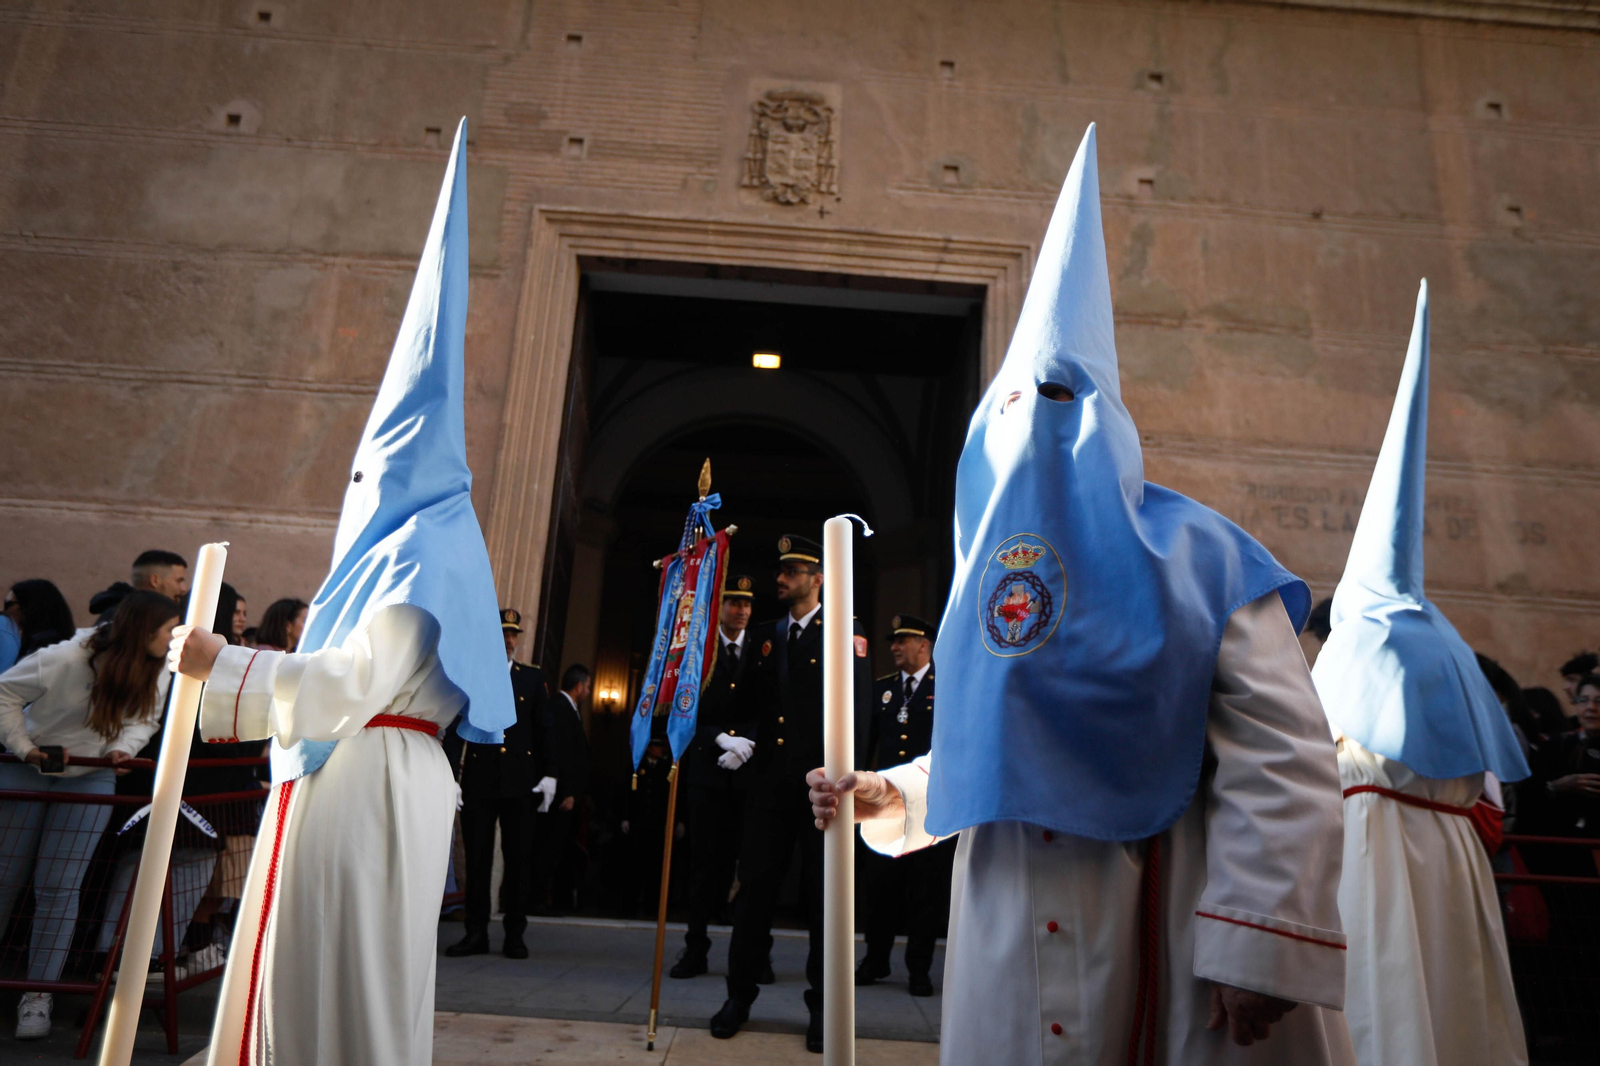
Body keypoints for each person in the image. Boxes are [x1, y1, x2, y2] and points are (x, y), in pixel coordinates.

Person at [810, 125, 1354, 1066]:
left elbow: (1283, 763)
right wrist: (887, 794)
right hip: (1010, 925)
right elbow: (999, 743)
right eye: (1018, 404)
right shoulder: (985, 586)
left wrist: (1256, 942)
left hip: (1167, 915)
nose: (1038, 427)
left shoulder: (1208, 563)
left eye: (1062, 402)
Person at [167, 120, 517, 1066]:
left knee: (342, 977)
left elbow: (354, 680)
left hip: (368, 778)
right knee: (330, 970)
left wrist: (224, 662)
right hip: (370, 776)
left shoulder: (420, 556)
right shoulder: (423, 547)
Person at [1311, 281, 1529, 1066]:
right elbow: (1487, 786)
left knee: (1382, 1009)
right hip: (1454, 864)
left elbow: (1311, 760)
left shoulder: (1356, 643)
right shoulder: (1449, 644)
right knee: (1454, 1007)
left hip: (1370, 854)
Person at [710, 535, 872, 1054]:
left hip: (822, 790)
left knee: (824, 902)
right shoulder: (766, 635)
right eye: (782, 570)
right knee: (754, 893)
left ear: (818, 578)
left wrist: (852, 781)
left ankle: (823, 1009)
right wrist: (733, 736)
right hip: (769, 788)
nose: (782, 579)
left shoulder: (845, 630)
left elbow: (861, 711)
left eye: (794, 571)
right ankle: (739, 996)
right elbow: (748, 707)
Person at [0, 591, 177, 1039]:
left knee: (60, 888)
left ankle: (38, 995)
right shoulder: (65, 658)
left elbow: (146, 720)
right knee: (4, 878)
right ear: (144, 630)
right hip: (31, 769)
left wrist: (124, 748)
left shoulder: (159, 670)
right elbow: (4, 691)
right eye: (170, 628)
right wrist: (25, 749)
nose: (176, 636)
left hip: (92, 775)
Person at [856, 613, 951, 997]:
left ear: (924, 645)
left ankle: (918, 968)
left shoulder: (944, 686)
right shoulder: (883, 689)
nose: (894, 647)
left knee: (925, 892)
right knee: (880, 889)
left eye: (903, 640)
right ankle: (875, 959)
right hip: (886, 807)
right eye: (893, 641)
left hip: (931, 806)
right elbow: (868, 743)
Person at [445, 607, 548, 958]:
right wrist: (451, 776)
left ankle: (515, 934)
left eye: (513, 635)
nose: (508, 640)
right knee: (477, 860)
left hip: (520, 782)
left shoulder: (531, 679)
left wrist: (550, 774)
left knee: (518, 859)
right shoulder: (472, 677)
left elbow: (544, 730)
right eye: (503, 633)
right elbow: (457, 730)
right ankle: (476, 932)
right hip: (480, 779)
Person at [671, 573, 756, 977]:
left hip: (749, 777)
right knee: (704, 867)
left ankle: (755, 953)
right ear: (719, 607)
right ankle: (696, 948)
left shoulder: (761, 650)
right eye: (734, 603)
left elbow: (773, 706)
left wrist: (747, 745)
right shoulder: (698, 653)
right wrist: (719, 739)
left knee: (753, 867)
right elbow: (683, 710)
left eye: (747, 605)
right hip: (707, 774)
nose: (741, 611)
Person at [531, 664, 592, 914]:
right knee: (548, 849)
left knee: (561, 849)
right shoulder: (559, 707)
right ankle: (536, 899)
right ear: (578, 686)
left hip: (567, 794)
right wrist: (567, 791)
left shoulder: (569, 709)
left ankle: (557, 900)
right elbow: (561, 753)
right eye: (588, 687)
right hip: (559, 795)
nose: (588, 691)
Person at [5, 579, 78, 662]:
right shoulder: (52, 642)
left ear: (29, 607)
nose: (5, 611)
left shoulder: (42, 649)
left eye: (8, 604)